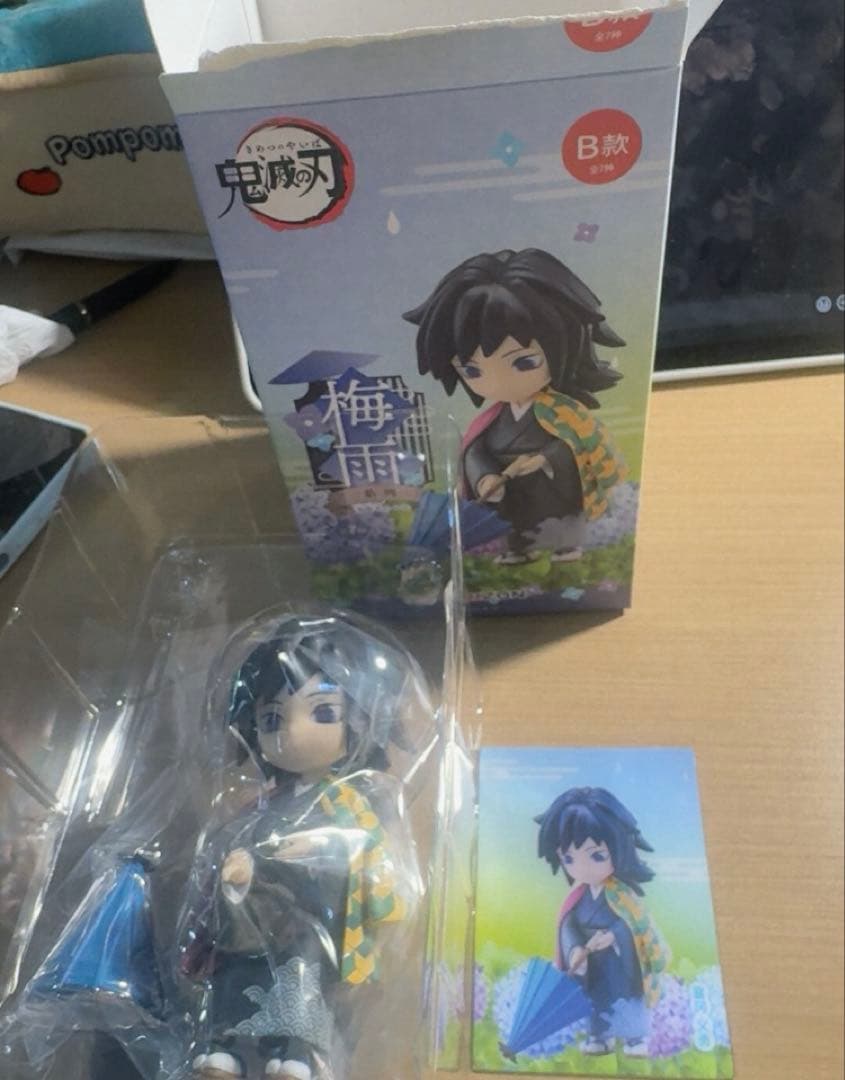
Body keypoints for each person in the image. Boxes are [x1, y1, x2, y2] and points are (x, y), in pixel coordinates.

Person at [182, 614, 417, 1080]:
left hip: (312, 921)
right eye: (272, 718)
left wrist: (310, 855)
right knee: (236, 967)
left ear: (360, 721)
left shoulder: (349, 803)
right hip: (254, 919)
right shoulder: (261, 805)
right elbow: (239, 843)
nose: (291, 732)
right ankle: (225, 1043)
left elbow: (365, 857)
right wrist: (237, 867)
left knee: (304, 975)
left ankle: (299, 1052)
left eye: (324, 712)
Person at [404, 248, 627, 564]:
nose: (497, 382)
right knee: (512, 518)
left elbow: (578, 446)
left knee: (560, 515)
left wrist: (546, 458)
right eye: (472, 371)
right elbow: (475, 450)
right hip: (510, 490)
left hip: (552, 485)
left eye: (524, 362)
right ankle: (518, 547)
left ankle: (567, 545)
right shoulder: (492, 420)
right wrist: (484, 476)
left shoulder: (565, 413)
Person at [535, 786, 669, 1057]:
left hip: (620, 962)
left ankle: (634, 1038)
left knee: (626, 998)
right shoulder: (577, 898)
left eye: (597, 855)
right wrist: (574, 949)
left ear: (618, 850)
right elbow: (568, 925)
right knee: (596, 1000)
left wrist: (615, 935)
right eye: (569, 858)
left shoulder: (624, 897)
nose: (582, 868)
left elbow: (635, 925)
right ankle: (600, 1036)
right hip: (592, 964)